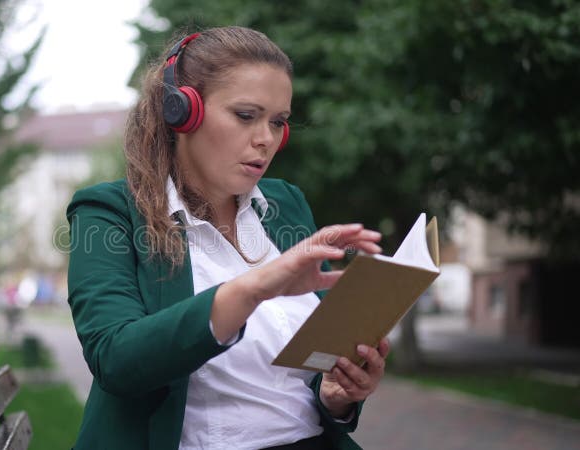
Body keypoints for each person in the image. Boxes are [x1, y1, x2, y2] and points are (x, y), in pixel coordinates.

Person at [66, 26, 389, 450]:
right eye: (245, 115)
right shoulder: (108, 213)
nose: (266, 139)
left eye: (278, 122)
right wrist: (253, 288)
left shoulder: (285, 205)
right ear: (182, 112)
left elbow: (311, 373)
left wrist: (336, 396)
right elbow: (117, 359)